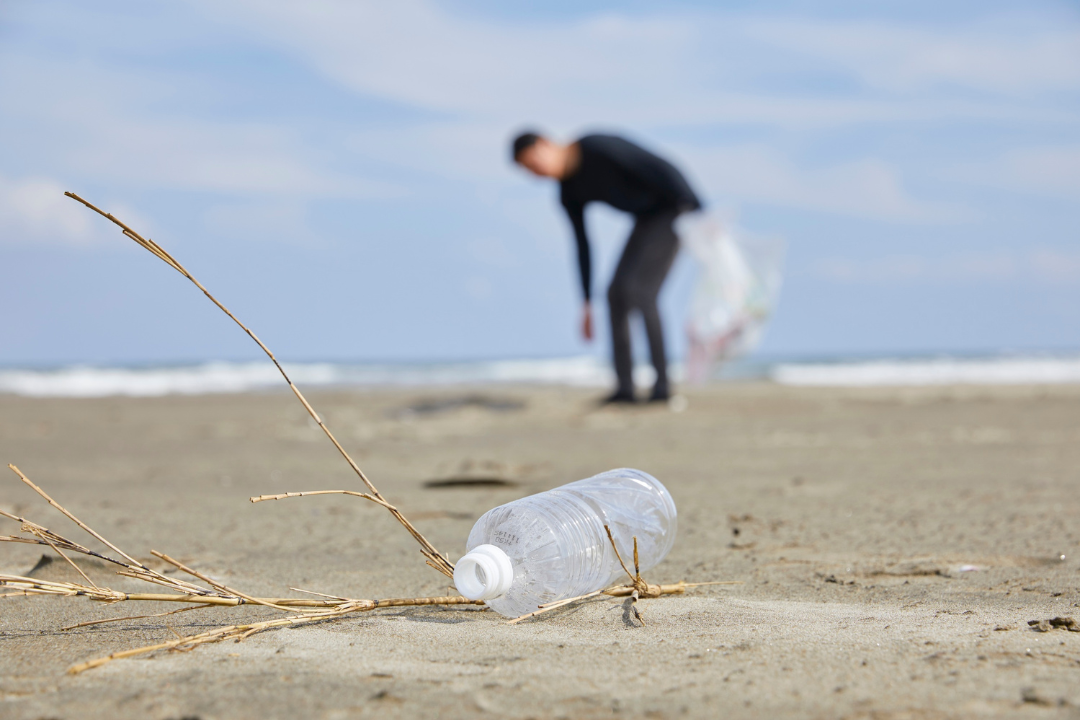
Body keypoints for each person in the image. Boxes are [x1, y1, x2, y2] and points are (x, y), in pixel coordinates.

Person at [512, 131, 701, 403]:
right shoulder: (568, 193)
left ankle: (662, 388)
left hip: (674, 207)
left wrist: (697, 207)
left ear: (546, 143)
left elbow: (659, 165)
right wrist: (586, 301)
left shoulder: (595, 147)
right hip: (646, 219)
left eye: (534, 163)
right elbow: (582, 244)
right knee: (615, 295)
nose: (537, 173)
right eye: (530, 171)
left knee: (641, 292)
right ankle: (625, 389)